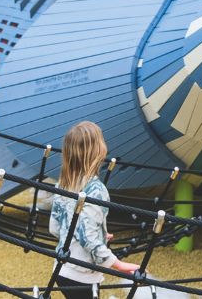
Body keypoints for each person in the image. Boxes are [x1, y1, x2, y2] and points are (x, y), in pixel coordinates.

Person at [49, 121, 142, 296]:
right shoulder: (97, 190)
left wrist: (100, 234)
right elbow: (87, 237)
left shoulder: (62, 183)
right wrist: (118, 264)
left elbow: (55, 227)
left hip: (62, 268)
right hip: (83, 275)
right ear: (98, 150)